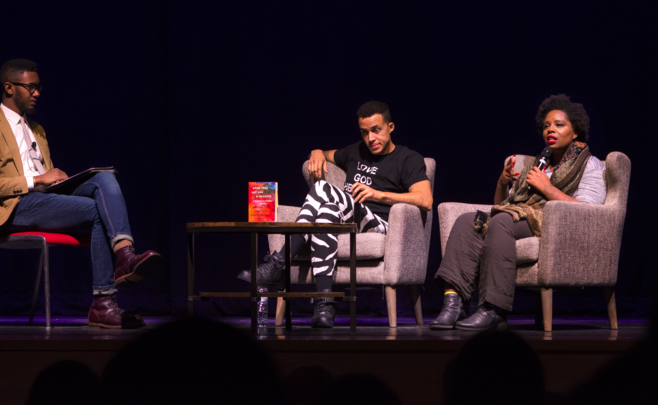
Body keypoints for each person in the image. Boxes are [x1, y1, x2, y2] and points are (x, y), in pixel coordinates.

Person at [0, 59, 162, 329]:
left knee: (103, 177)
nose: (37, 93)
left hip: (46, 197)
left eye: (38, 87)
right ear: (10, 87)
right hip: (17, 206)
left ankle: (124, 255)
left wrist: (55, 180)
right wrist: (36, 179)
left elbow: (47, 183)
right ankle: (103, 302)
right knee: (99, 212)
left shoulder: (37, 129)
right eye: (31, 87)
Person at [237, 100, 433, 328]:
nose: (370, 139)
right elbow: (327, 153)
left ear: (390, 127)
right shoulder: (355, 151)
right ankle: (324, 304)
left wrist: (378, 195)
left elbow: (425, 200)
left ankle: (278, 263)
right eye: (365, 132)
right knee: (326, 212)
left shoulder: (408, 159)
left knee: (321, 187)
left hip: (382, 224)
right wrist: (316, 152)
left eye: (376, 131)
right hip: (346, 219)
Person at [430, 94, 607, 331]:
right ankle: (454, 304)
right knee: (466, 222)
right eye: (546, 126)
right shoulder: (538, 165)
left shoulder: (590, 164)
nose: (550, 130)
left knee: (501, 222)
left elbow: (589, 211)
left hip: (557, 225)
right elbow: (505, 205)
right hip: (523, 217)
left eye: (559, 125)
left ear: (575, 132)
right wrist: (502, 184)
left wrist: (547, 188)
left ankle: (493, 309)